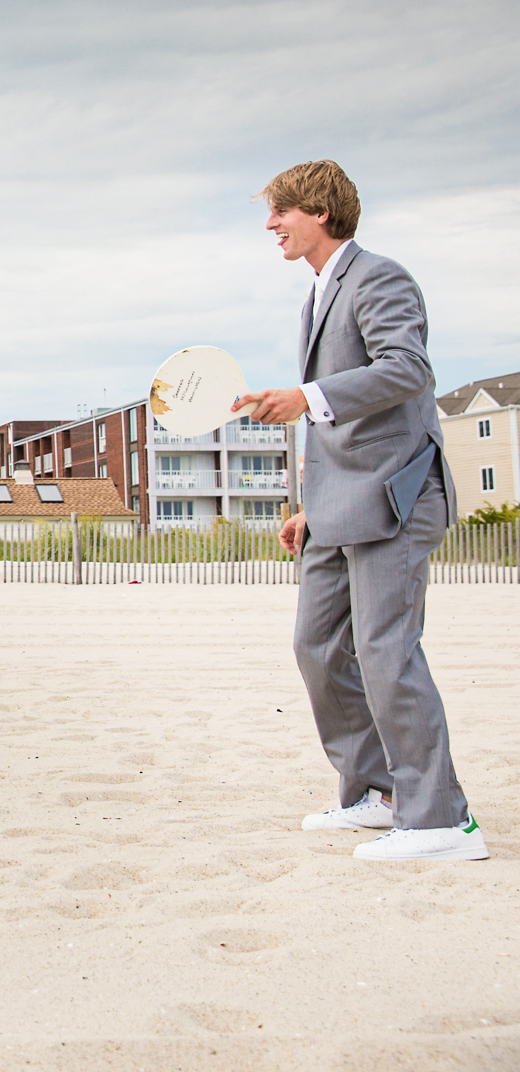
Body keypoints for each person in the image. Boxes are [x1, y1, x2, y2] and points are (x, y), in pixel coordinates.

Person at [236, 160, 486, 861]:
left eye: (280, 210)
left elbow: (408, 368)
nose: (270, 224)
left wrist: (306, 397)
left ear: (318, 210)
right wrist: (309, 505)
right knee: (315, 649)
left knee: (386, 654)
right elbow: (345, 423)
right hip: (337, 506)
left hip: (394, 502)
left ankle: (441, 821)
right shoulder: (319, 293)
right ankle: (375, 794)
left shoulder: (379, 277)